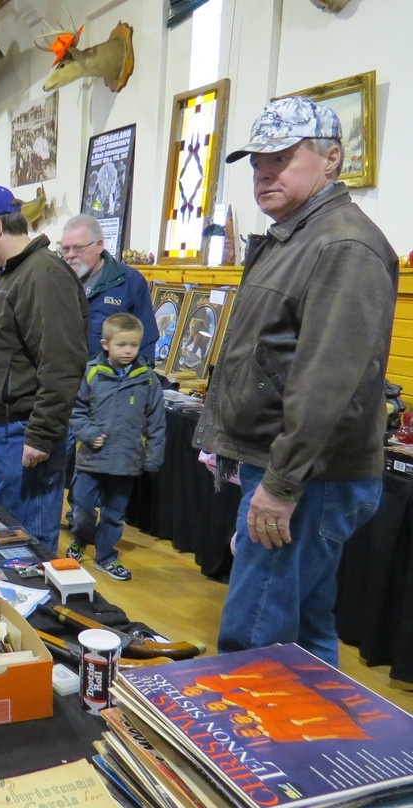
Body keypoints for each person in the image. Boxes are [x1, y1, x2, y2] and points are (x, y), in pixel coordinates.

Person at [194, 96, 398, 666]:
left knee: (256, 636)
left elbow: (330, 384)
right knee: (304, 629)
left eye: (282, 158)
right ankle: (317, 750)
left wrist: (282, 483)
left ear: (331, 159)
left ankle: (246, 754)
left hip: (309, 475)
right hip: (299, 467)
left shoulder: (342, 244)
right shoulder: (299, 236)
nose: (264, 172)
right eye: (258, 161)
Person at [0, 185, 88, 555]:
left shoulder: (43, 274)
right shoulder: (9, 274)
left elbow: (61, 362)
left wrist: (41, 434)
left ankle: (34, 610)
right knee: (4, 535)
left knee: (26, 543)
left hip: (22, 434)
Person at [67, 312, 166, 581]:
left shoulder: (147, 379)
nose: (128, 351)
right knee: (82, 509)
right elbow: (76, 410)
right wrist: (88, 433)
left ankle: (106, 556)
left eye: (133, 345)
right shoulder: (92, 373)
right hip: (91, 459)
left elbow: (156, 421)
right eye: (122, 345)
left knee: (113, 515)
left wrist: (153, 456)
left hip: (126, 461)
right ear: (106, 344)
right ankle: (79, 540)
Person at [59, 214, 158, 364]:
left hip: (110, 383)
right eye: (65, 249)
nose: (70, 255)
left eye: (78, 248)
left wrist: (136, 381)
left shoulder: (129, 281)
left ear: (99, 245)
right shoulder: (55, 281)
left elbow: (146, 342)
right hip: (63, 380)